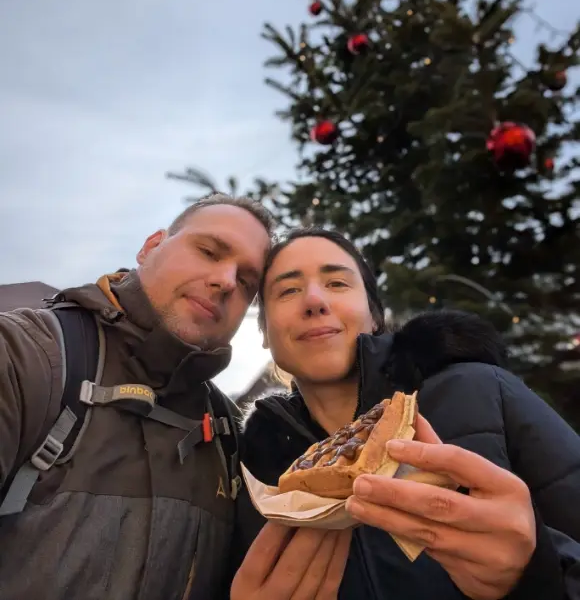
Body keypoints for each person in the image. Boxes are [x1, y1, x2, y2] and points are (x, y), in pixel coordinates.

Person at [0, 196, 350, 600]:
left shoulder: (230, 436)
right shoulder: (24, 357)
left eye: (247, 282)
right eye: (209, 251)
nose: (226, 281)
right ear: (151, 246)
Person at [240, 227, 580, 600]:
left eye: (337, 283)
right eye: (288, 290)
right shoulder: (257, 474)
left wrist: (533, 576)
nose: (314, 301)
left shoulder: (481, 390)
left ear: (373, 315)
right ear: (265, 333)